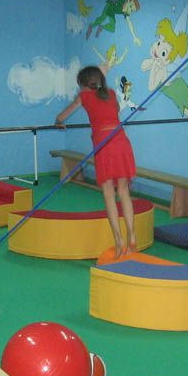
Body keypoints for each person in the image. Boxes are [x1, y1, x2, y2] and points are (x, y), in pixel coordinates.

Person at [55, 66, 137, 259]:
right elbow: (116, 110)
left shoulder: (84, 96)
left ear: (83, 84)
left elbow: (61, 116)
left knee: (109, 193)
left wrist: (58, 122)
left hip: (104, 145)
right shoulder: (110, 93)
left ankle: (119, 240)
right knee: (123, 191)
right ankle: (132, 235)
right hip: (121, 142)